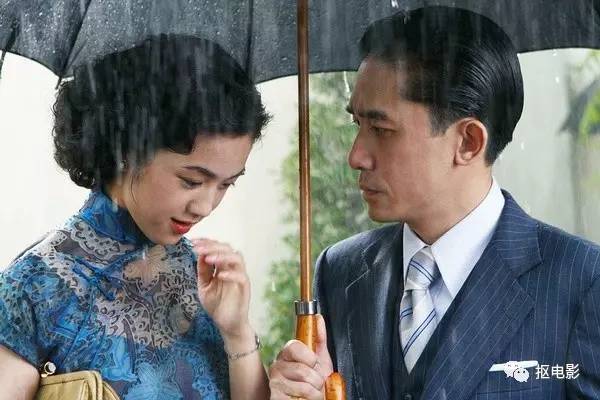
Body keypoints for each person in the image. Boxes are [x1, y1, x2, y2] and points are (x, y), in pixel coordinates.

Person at [269, 6, 600, 400]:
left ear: (468, 142)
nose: (355, 156)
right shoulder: (339, 272)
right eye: (358, 125)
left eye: (381, 129)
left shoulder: (582, 281)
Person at [0, 34, 271, 400]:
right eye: (192, 181)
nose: (206, 206)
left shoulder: (204, 279)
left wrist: (237, 333)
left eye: (227, 184)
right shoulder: (34, 288)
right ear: (127, 149)